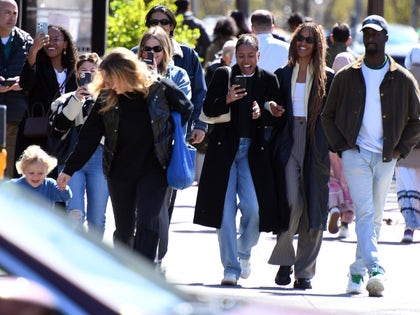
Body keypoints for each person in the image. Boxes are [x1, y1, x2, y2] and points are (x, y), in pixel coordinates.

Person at [56, 47, 193, 262]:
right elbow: (89, 136)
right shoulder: (106, 96)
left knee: (148, 222)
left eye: (111, 80)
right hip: (119, 171)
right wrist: (69, 169)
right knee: (124, 230)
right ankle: (124, 270)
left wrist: (169, 134)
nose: (108, 85)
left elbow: (186, 107)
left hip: (155, 167)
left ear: (125, 73)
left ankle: (143, 272)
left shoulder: (159, 88)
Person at [321, 15, 420, 297]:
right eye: (366, 34)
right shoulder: (347, 75)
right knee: (365, 212)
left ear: (386, 38)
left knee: (374, 218)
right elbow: (328, 115)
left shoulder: (402, 77)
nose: (371, 38)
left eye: (376, 34)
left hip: (387, 156)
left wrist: (401, 149)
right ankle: (377, 268)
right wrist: (341, 146)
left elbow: (417, 120)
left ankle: (356, 272)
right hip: (356, 153)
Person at [194, 33, 288, 286]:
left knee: (254, 209)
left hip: (253, 152)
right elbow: (208, 110)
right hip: (224, 151)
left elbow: (277, 114)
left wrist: (265, 111)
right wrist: (227, 99)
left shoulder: (268, 79)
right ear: (235, 55)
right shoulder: (223, 75)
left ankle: (243, 252)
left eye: (250, 56)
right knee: (224, 213)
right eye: (241, 56)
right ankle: (231, 268)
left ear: (259, 55)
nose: (246, 61)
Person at [268, 22, 334, 290]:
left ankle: (303, 273)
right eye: (299, 39)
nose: (303, 43)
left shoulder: (328, 76)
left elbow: (334, 114)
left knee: (314, 209)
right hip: (288, 141)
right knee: (292, 202)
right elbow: (268, 100)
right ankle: (285, 257)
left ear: (318, 45)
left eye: (309, 39)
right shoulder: (283, 74)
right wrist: (269, 106)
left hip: (315, 143)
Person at [138, 25, 191, 269]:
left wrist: (157, 78)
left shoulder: (177, 74)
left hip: (165, 151)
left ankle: (156, 258)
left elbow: (184, 106)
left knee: (158, 211)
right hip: (135, 149)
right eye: (146, 49)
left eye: (157, 49)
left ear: (166, 49)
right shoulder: (132, 74)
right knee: (137, 210)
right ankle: (139, 258)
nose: (152, 54)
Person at [48, 52, 109, 238]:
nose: (88, 75)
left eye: (93, 71)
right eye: (84, 71)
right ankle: (73, 259)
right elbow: (59, 128)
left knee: (97, 218)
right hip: (69, 159)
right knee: (74, 214)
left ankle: (95, 259)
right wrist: (77, 100)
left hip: (100, 158)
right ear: (77, 74)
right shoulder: (64, 99)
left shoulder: (108, 99)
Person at [16, 24, 78, 177]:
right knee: (33, 179)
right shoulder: (38, 64)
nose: (51, 43)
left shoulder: (73, 69)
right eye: (47, 39)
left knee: (59, 181)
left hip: (65, 133)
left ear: (65, 44)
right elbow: (25, 83)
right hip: (38, 131)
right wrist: (33, 51)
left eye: (56, 39)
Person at [0, 0, 33, 178]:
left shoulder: (26, 40)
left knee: (11, 171)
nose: (11, 17)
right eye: (7, 12)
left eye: (14, 13)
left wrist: (23, 82)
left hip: (16, 116)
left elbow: (35, 75)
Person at [394, 46, 420, 243]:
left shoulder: (403, 81)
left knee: (407, 184)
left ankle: (410, 226)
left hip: (406, 143)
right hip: (411, 142)